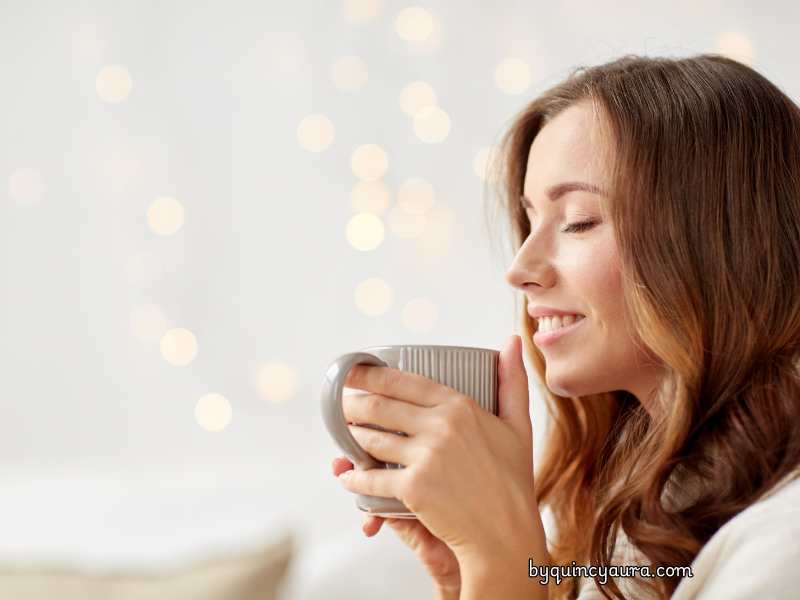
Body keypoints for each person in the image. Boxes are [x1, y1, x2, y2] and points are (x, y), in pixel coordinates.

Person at [330, 53, 800, 599]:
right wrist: (476, 575)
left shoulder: (784, 538)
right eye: (530, 221)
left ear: (724, 241)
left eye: (579, 221)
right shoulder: (640, 517)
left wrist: (500, 559)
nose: (520, 269)